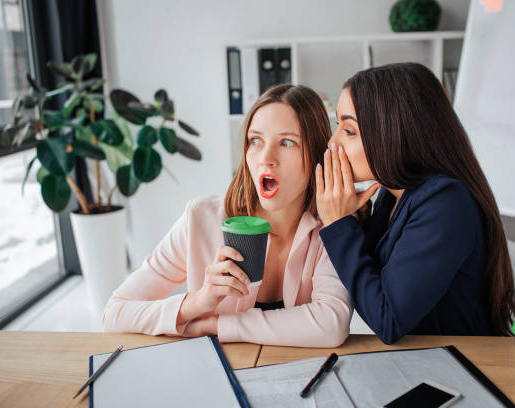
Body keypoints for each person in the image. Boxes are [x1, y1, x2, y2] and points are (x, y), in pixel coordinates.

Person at [103, 84, 352, 347]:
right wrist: (200, 301)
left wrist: (218, 326)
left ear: (316, 154)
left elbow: (331, 324)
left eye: (287, 142)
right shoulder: (200, 219)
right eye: (256, 140)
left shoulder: (331, 227)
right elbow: (115, 314)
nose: (265, 158)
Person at [315, 63, 515, 344]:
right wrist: (353, 222)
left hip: (464, 365)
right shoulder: (392, 193)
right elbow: (374, 278)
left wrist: (338, 225)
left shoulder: (445, 203)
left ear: (393, 132)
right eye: (338, 127)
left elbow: (387, 320)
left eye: (349, 131)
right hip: (418, 360)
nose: (332, 142)